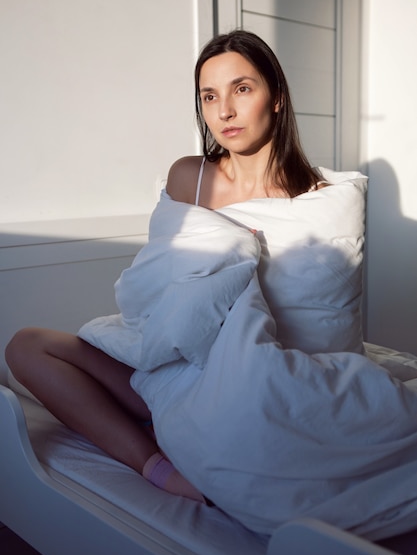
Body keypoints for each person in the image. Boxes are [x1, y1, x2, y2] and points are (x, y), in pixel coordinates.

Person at [5, 30, 327, 503]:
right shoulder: (189, 176)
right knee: (26, 346)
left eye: (242, 89)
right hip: (162, 360)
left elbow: (313, 317)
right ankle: (156, 464)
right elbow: (158, 282)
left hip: (232, 382)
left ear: (276, 97)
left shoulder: (315, 199)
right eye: (209, 96)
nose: (225, 112)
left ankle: (186, 431)